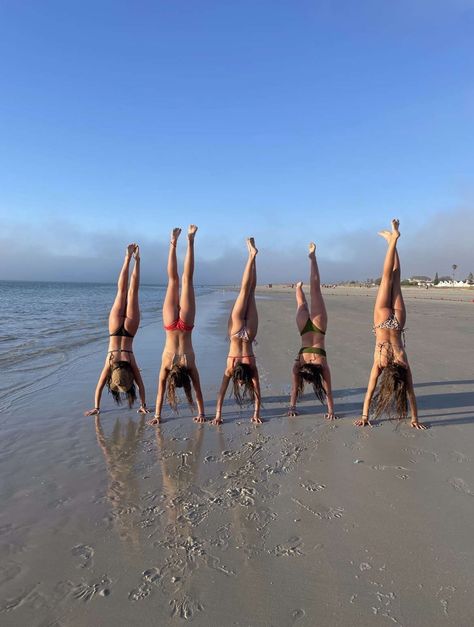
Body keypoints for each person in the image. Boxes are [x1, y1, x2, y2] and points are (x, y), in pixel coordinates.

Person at [355, 219, 426, 429]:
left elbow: (411, 394)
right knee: (387, 279)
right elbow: (369, 392)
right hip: (381, 322)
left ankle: (392, 242)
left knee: (395, 279)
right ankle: (392, 240)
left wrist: (415, 418)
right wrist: (364, 415)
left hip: (397, 322)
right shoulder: (380, 364)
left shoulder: (403, 364)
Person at [148, 226, 205, 425]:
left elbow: (198, 391)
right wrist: (156, 415)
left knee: (186, 280)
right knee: (173, 281)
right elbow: (160, 392)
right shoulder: (166, 367)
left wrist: (202, 413)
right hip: (171, 325)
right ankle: (173, 241)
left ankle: (190, 240)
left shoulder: (190, 367)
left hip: (186, 325)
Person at [84, 244, 148, 416]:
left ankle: (135, 260)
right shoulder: (110, 363)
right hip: (114, 330)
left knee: (132, 292)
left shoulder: (129, 362)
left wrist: (143, 404)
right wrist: (96, 406)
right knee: (122, 291)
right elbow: (98, 387)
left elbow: (141, 386)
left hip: (129, 331)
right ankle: (127, 259)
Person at [212, 238, 261, 425]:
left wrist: (256, 412)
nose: (241, 384)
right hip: (235, 333)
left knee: (250, 291)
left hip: (249, 335)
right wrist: (218, 413)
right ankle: (251, 256)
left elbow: (257, 392)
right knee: (244, 291)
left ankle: (252, 257)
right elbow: (221, 393)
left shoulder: (247, 369)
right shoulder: (230, 369)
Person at [288, 242, 336, 419]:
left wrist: (331, 410)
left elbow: (328, 391)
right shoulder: (299, 364)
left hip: (318, 327)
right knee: (301, 304)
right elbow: (294, 388)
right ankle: (298, 288)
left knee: (315, 289)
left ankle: (312, 257)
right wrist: (291, 406)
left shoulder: (322, 365)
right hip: (304, 330)